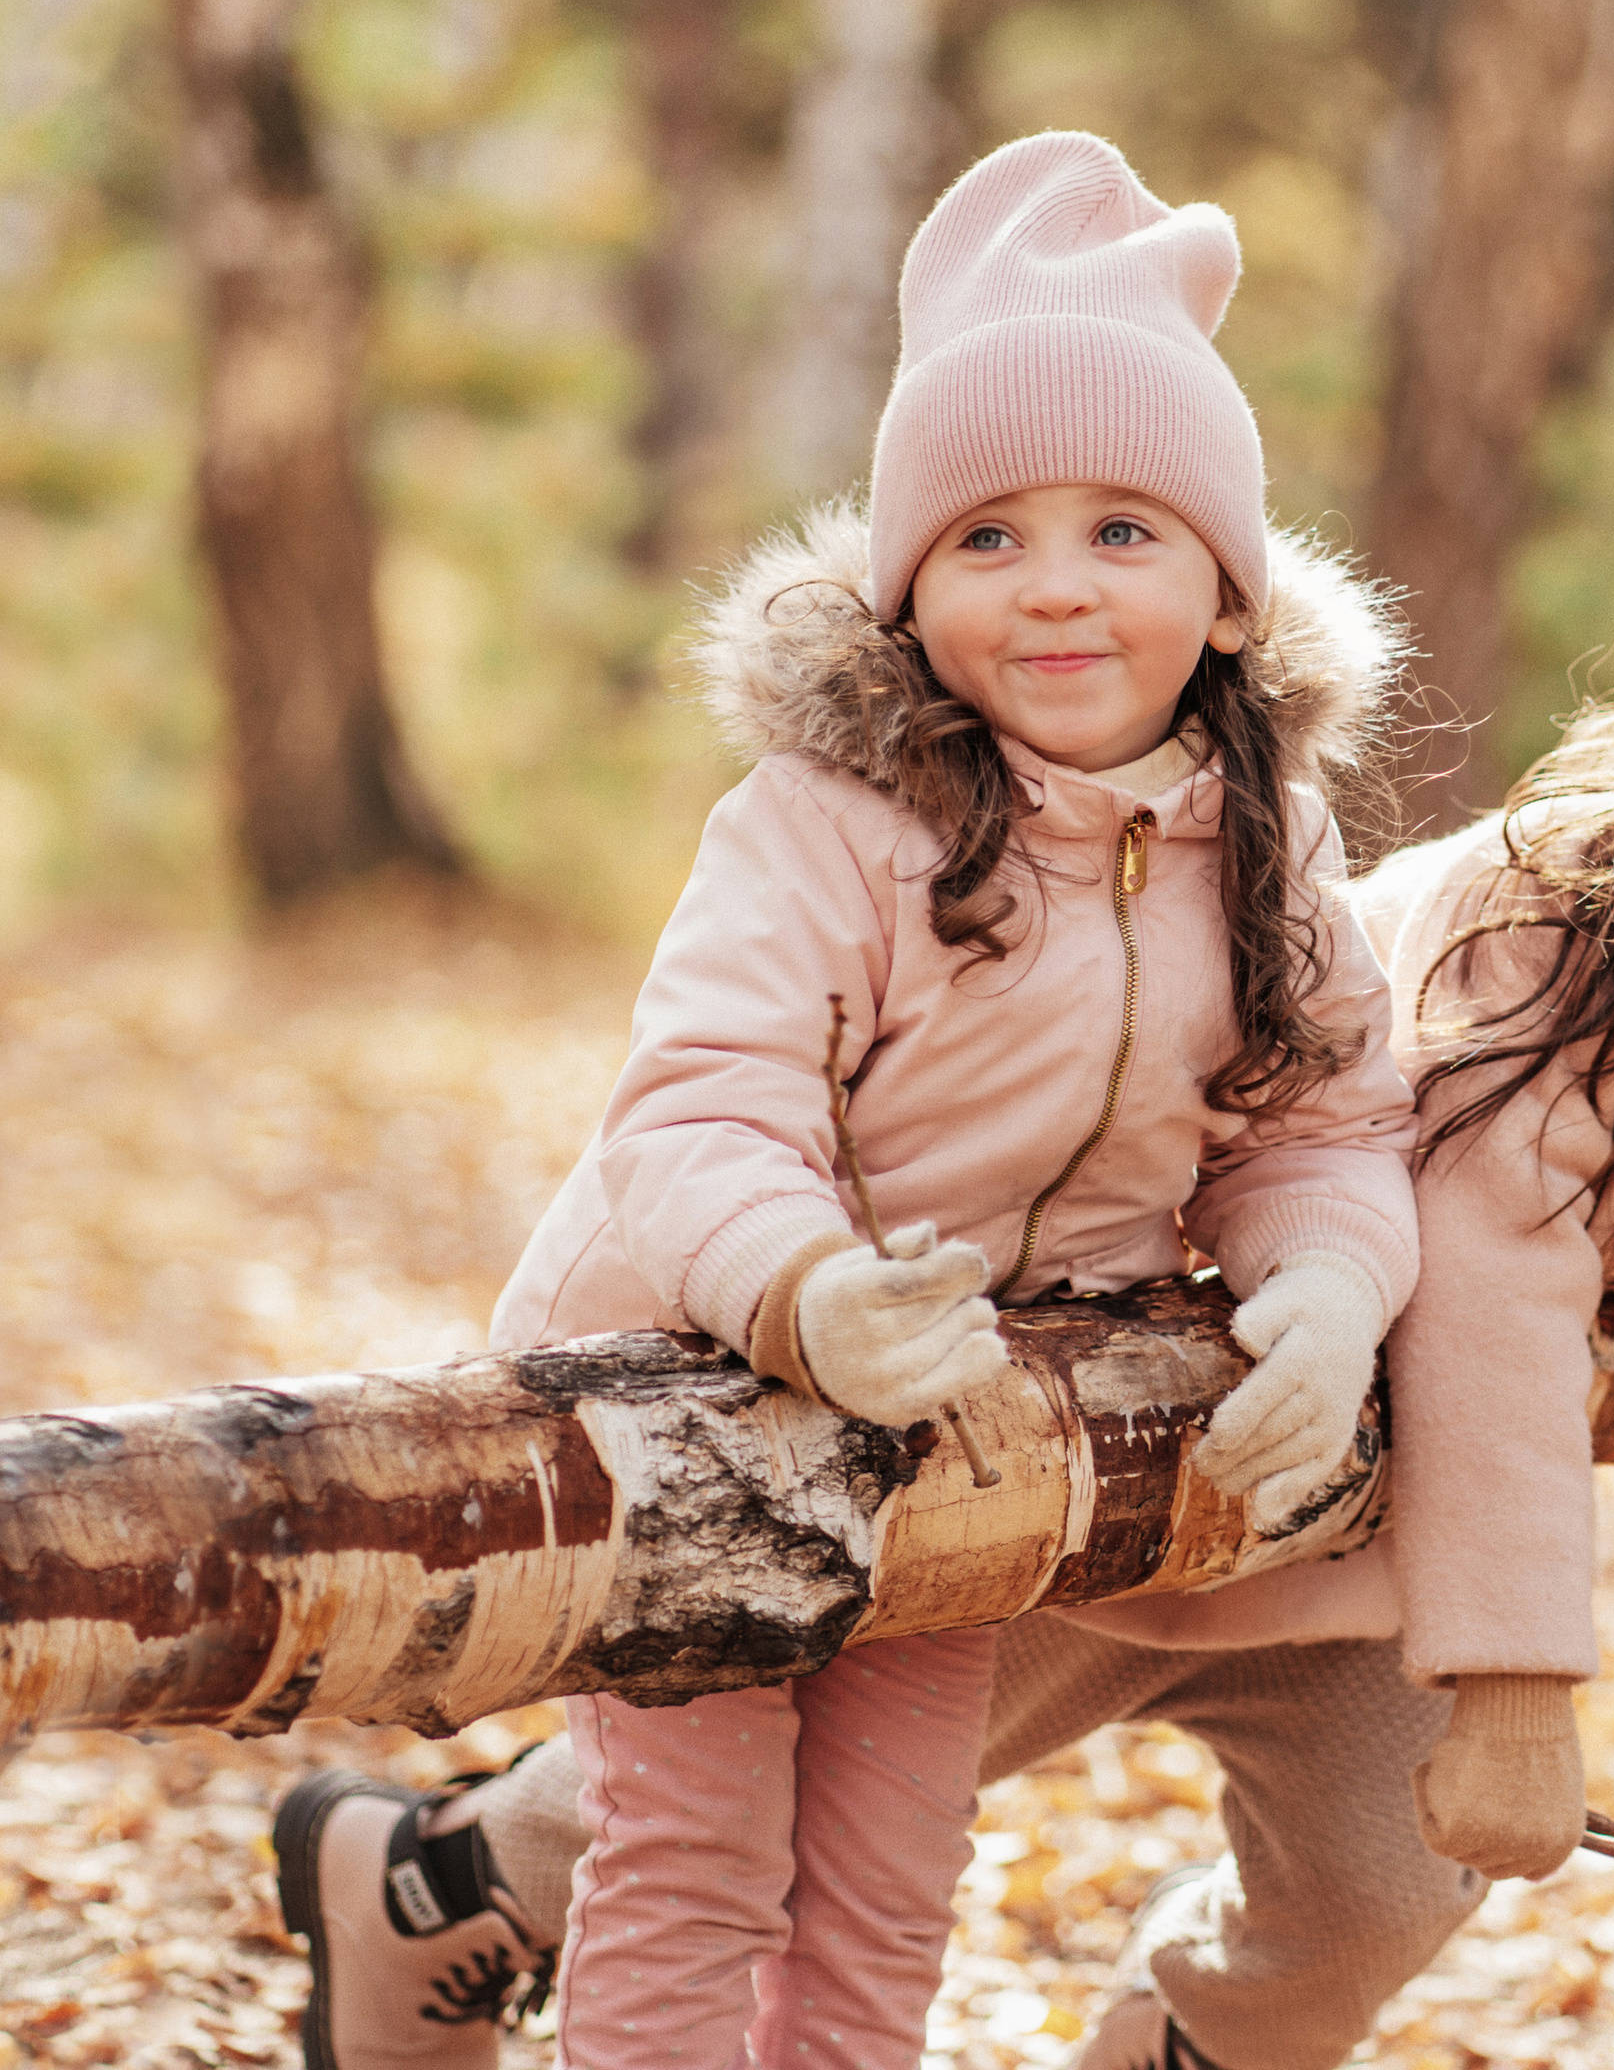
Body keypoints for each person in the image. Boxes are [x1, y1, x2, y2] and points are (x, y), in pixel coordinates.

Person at [281, 585, 1614, 2070]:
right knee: (798, 1814)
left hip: (1362, 1568)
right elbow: (1488, 1262)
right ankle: (420, 1891)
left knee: (1373, 1889)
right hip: (1124, 1443)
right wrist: (1516, 1688)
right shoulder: (1564, 912)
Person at [274, 130, 1422, 2070]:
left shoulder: (1266, 840)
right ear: (907, 590)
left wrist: (1325, 1283)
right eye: (985, 536)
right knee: (698, 1855)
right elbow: (699, 1100)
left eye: (1120, 530)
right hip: (699, 1391)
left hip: (972, 1422)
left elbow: (1319, 1115)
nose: (1050, 587)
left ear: (1227, 593)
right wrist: (801, 1283)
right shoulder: (827, 819)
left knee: (887, 1870)